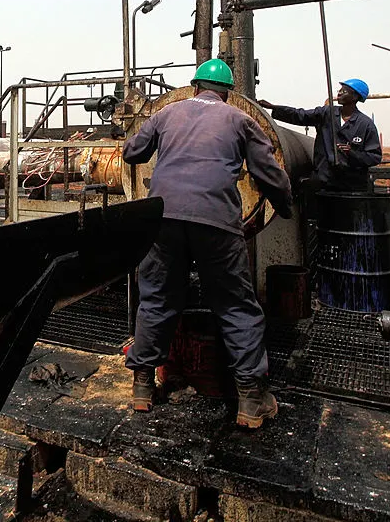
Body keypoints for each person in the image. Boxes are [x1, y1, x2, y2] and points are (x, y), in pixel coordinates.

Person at [123, 58, 293, 430]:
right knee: (236, 306)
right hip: (216, 222)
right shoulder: (240, 120)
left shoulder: (167, 113)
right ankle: (250, 400)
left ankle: (141, 387)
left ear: (195, 86)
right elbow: (271, 175)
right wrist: (285, 208)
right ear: (227, 93)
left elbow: (132, 153)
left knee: (156, 298)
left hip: (163, 217)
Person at [257, 79, 382, 192]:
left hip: (351, 186)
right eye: (339, 90)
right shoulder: (327, 113)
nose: (339, 93)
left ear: (355, 97)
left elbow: (374, 157)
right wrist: (275, 108)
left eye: (344, 91)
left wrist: (353, 153)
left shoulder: (366, 125)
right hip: (324, 181)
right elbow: (301, 115)